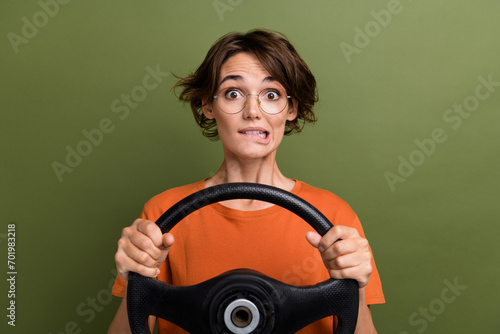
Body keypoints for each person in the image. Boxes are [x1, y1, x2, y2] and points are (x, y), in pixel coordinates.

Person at [108, 29, 385, 333]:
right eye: (233, 93)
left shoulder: (334, 217)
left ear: (291, 109)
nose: (253, 112)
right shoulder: (163, 214)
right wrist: (136, 276)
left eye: (271, 95)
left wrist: (356, 286)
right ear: (208, 106)